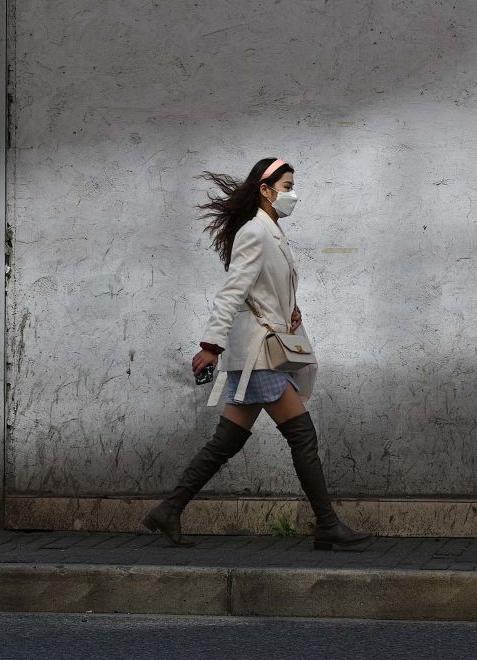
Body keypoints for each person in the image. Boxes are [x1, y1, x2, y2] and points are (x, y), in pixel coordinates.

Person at [143, 157, 371, 551]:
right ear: (265, 191)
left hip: (265, 350)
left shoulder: (272, 232)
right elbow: (233, 291)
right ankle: (327, 524)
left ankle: (169, 509)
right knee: (302, 435)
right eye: (286, 187)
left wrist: (290, 309)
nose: (292, 195)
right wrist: (210, 346)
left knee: (226, 441)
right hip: (257, 354)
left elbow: (264, 289)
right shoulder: (255, 233)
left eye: (292, 186)